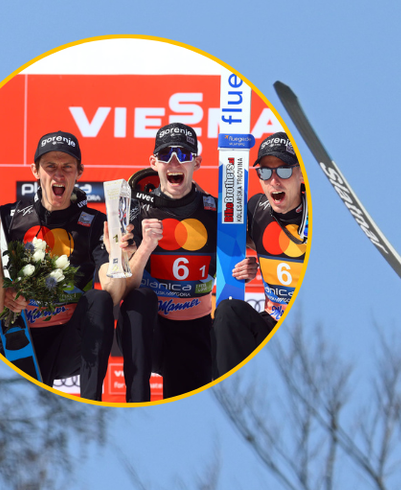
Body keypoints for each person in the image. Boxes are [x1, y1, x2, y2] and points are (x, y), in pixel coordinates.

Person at [0, 131, 126, 400]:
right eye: (50, 166)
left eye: (67, 166)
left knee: (99, 299)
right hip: (16, 337)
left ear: (79, 171)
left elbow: (113, 293)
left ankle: (92, 400)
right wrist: (4, 293)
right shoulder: (8, 217)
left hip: (69, 345)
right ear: (35, 170)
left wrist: (117, 255)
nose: (59, 174)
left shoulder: (94, 223)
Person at [118, 123, 221, 401]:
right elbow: (122, 287)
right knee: (140, 298)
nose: (174, 162)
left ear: (197, 162)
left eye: (184, 155)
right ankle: (136, 400)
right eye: (165, 155)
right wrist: (141, 250)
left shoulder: (217, 210)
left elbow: (253, 240)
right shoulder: (136, 213)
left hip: (193, 332)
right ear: (153, 162)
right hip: (149, 329)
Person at [211, 131, 308, 379]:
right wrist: (251, 258)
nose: (274, 180)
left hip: (310, 326)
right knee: (228, 312)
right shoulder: (257, 209)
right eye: (265, 172)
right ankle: (227, 387)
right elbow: (227, 232)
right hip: (273, 324)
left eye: (283, 171)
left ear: (300, 174)